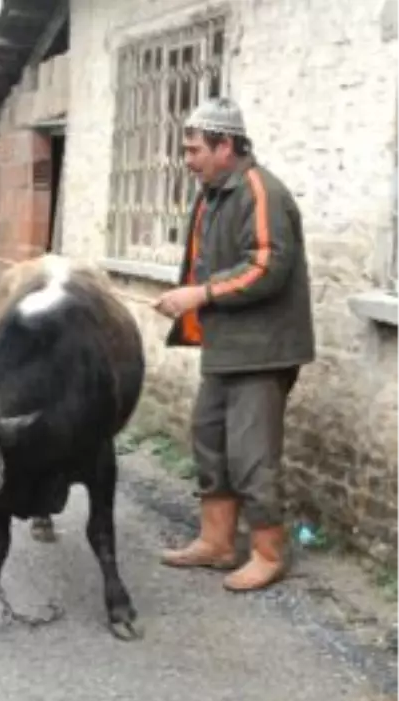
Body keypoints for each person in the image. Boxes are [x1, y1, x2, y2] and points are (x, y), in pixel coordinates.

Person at [153, 96, 315, 592]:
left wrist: (198, 295)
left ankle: (268, 553)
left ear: (226, 146)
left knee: (251, 454)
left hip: (264, 351)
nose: (187, 159)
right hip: (227, 349)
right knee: (210, 442)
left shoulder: (259, 191)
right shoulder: (212, 193)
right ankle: (218, 543)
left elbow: (268, 267)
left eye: (194, 149)